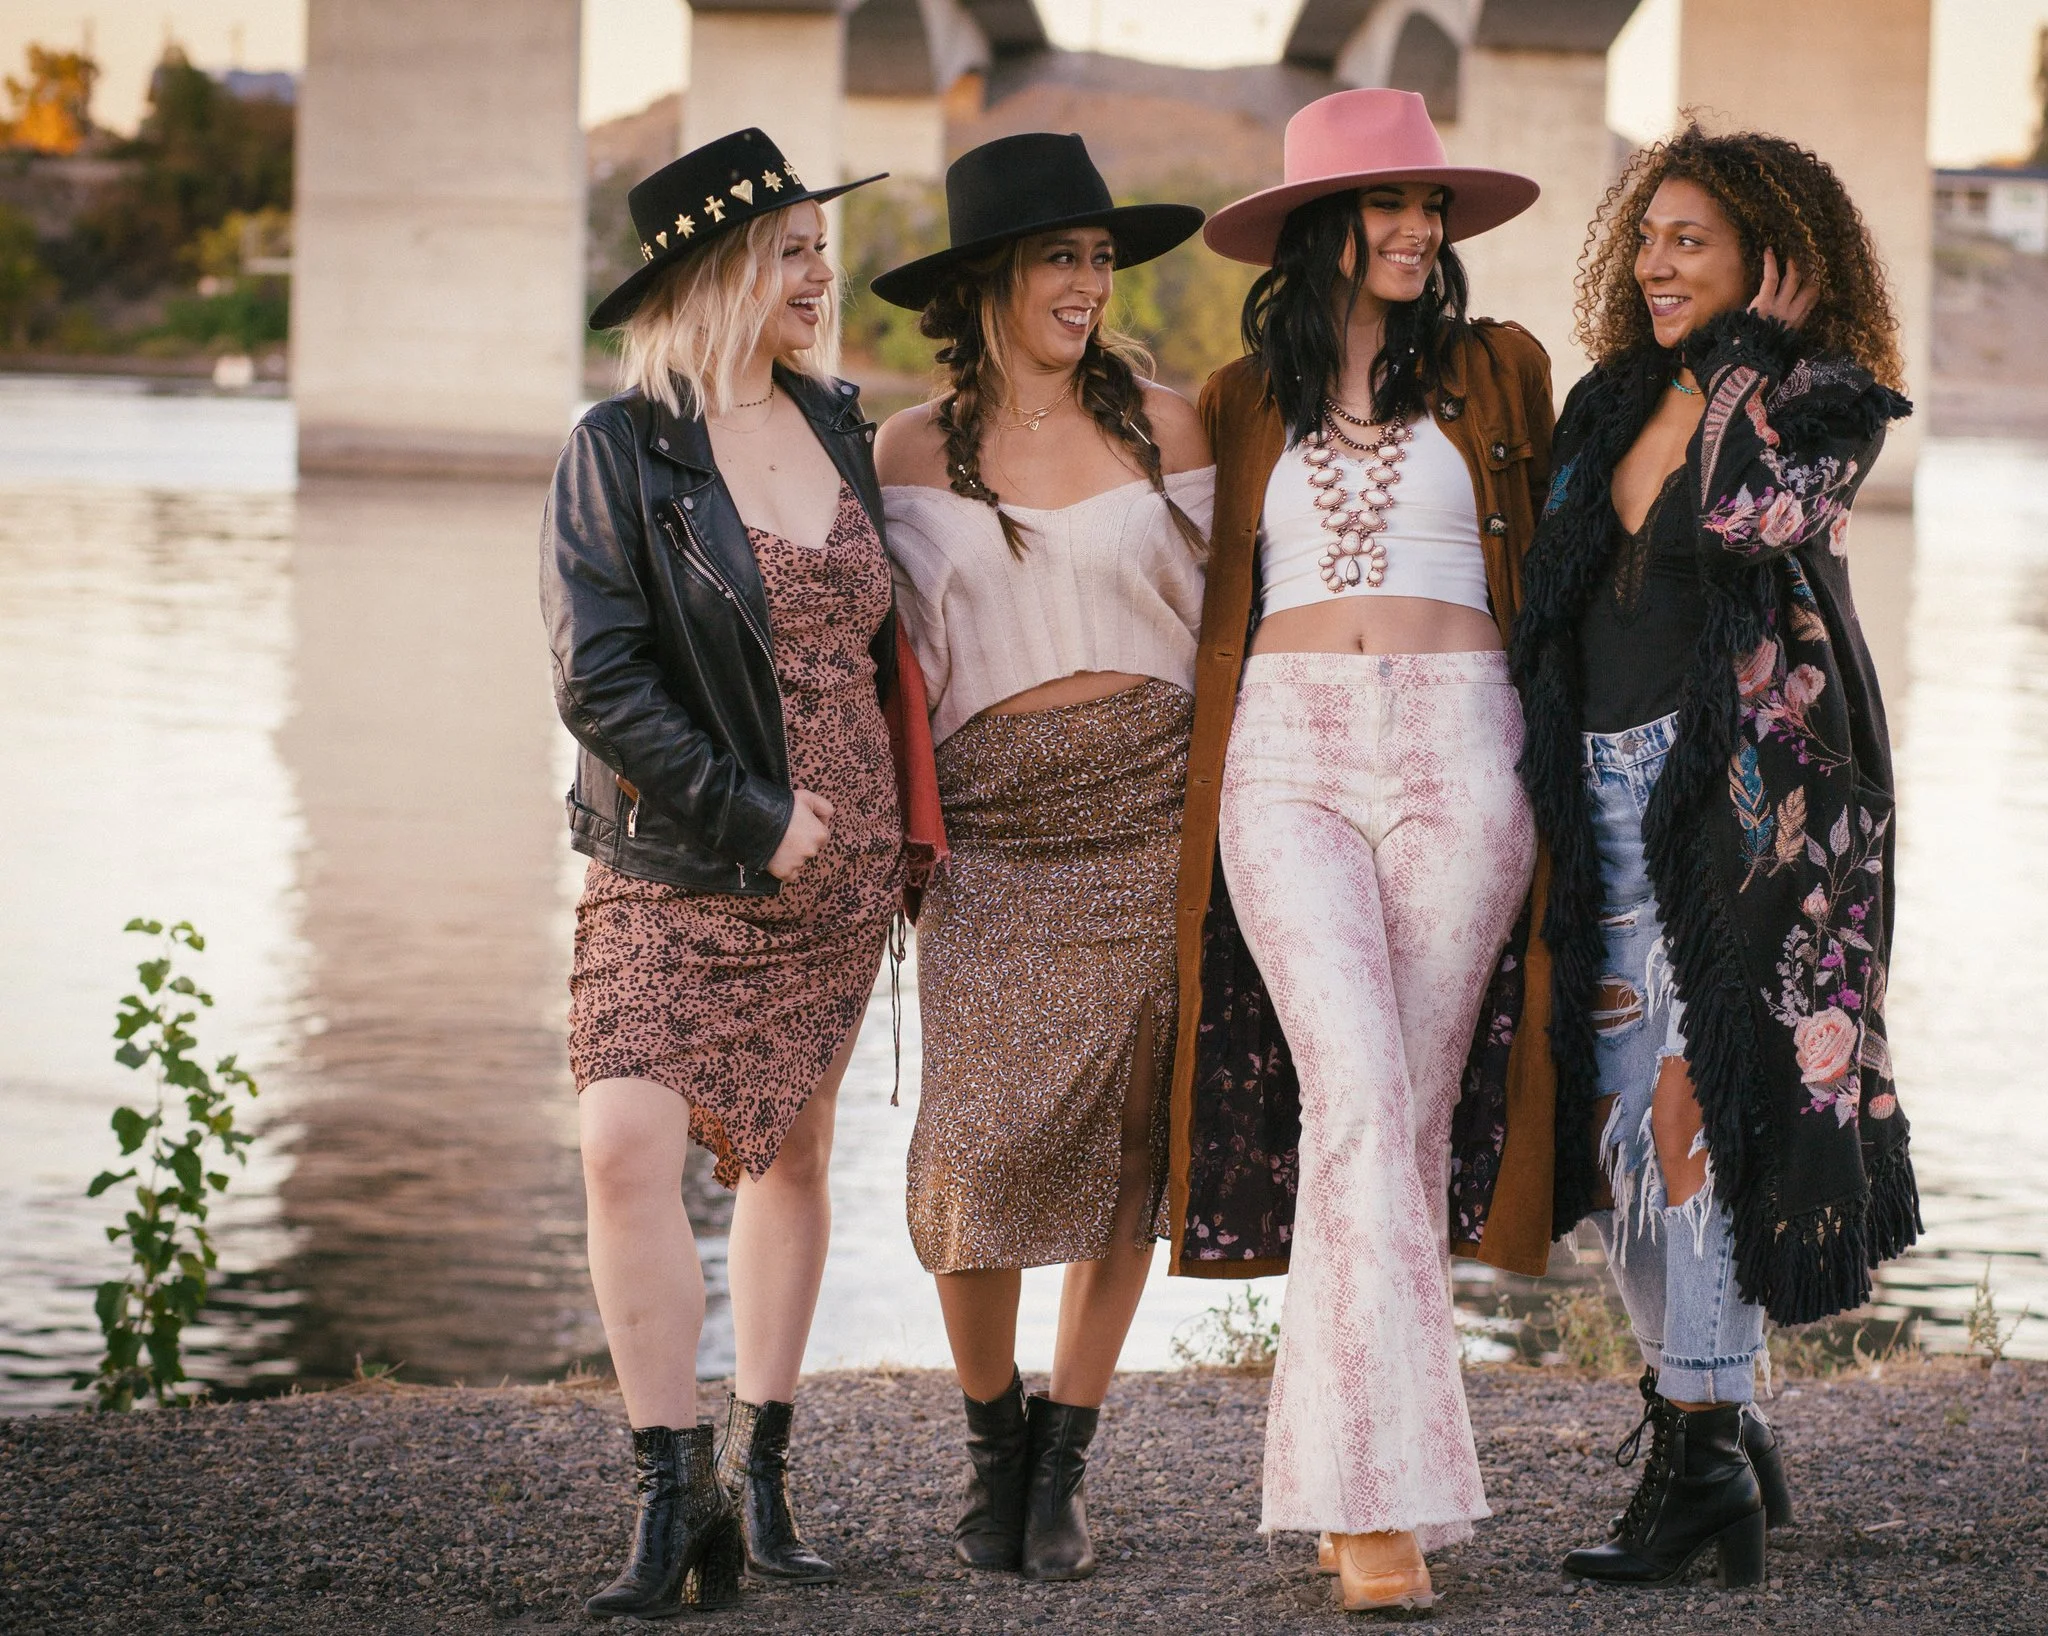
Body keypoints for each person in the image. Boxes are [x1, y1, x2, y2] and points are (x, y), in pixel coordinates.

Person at [1167, 87, 1572, 1613]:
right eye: (1390, 203)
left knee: (1396, 1126)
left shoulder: (1501, 370)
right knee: (1348, 1094)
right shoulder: (1231, 397)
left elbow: (1591, 523)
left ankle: (1348, 1488)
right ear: (1316, 229)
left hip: (1467, 744)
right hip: (1284, 753)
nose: (1418, 229)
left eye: (1432, 206)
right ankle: (1385, 1512)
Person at [1507, 124, 1923, 1591]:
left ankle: (1693, 1479)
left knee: (1703, 1124)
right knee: (1627, 1146)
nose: (1658, 262)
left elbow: (1752, 513)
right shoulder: (1608, 402)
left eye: (1693, 239)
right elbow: (1550, 597)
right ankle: (1722, 1413)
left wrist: (1747, 357)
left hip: (1750, 819)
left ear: (1772, 256)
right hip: (1606, 800)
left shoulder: (1823, 404)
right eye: (1649, 237)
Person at [542, 128, 941, 1618]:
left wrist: (901, 830)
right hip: (683, 852)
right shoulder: (620, 447)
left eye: (816, 245)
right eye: (790, 248)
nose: (820, 272)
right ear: (717, 273)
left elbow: (883, 638)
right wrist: (752, 814)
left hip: (848, 862)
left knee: (791, 1153)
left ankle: (762, 1467)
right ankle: (670, 1489)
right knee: (622, 1142)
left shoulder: (840, 423)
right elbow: (600, 679)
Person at [868, 133, 1213, 1584]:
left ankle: (1066, 1458)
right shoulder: (899, 453)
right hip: (994, 844)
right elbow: (862, 663)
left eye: (1098, 259)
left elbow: (1238, 613)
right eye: (1058, 259)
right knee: (977, 1151)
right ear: (987, 281)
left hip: (1148, 819)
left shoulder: (1172, 427)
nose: (1087, 284)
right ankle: (990, 1441)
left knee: (1128, 1154)